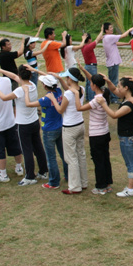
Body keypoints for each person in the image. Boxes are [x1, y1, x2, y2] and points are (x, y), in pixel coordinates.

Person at [0, 63, 49, 186]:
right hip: (34, 121)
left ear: (20, 75)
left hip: (24, 125)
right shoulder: (32, 86)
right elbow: (14, 77)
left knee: (27, 150)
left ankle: (30, 176)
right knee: (38, 147)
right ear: (30, 75)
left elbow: (4, 97)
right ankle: (43, 171)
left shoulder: (20, 90)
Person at [100, 77, 133, 198]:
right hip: (132, 135)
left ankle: (130, 189)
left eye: (120, 86)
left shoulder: (129, 104)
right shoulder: (130, 98)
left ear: (126, 88)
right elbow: (113, 90)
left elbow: (114, 115)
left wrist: (103, 104)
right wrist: (108, 81)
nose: (118, 88)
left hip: (127, 138)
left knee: (130, 163)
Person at [49, 67, 88, 195]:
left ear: (70, 79)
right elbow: (69, 90)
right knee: (80, 154)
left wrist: (53, 99)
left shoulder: (69, 94)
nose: (66, 79)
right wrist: (60, 79)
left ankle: (75, 186)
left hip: (70, 127)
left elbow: (60, 110)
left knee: (71, 158)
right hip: (80, 124)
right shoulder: (81, 89)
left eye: (67, 77)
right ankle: (83, 182)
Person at [23, 74, 66, 190]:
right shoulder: (58, 91)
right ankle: (68, 175)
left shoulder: (46, 99)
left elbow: (28, 104)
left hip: (49, 130)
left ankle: (54, 182)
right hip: (59, 127)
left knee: (51, 158)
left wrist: (26, 92)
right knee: (63, 154)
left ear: (45, 86)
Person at [75, 70, 114, 195]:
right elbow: (92, 79)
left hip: (97, 135)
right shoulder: (104, 94)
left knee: (98, 161)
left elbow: (79, 108)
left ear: (95, 86)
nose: (90, 85)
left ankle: (101, 186)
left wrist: (76, 94)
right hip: (104, 132)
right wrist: (83, 70)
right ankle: (107, 183)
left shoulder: (97, 99)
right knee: (105, 159)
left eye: (91, 83)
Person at [102, 22, 133, 103]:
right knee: (113, 81)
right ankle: (113, 98)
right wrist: (130, 29)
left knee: (112, 80)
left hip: (112, 62)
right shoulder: (109, 37)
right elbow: (123, 36)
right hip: (113, 62)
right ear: (106, 30)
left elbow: (116, 43)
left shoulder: (106, 37)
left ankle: (112, 96)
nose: (112, 29)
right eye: (110, 28)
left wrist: (127, 43)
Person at [80, 31, 103, 102]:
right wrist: (102, 30)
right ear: (89, 40)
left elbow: (97, 41)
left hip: (87, 66)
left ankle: (87, 97)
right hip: (91, 66)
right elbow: (97, 40)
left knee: (88, 82)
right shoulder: (89, 47)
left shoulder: (83, 46)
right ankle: (91, 98)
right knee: (93, 82)